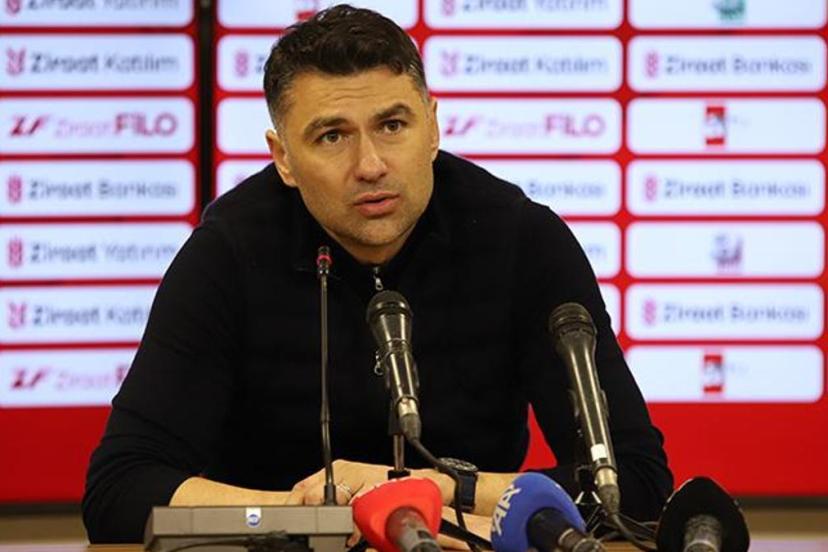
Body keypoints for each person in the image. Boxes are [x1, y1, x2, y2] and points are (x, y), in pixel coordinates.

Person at [82, 5, 672, 543]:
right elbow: (120, 488)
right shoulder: (229, 252)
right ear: (283, 158)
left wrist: (442, 491)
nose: (370, 165)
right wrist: (323, 517)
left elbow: (634, 480)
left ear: (432, 127)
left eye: (392, 126)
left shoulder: (522, 238)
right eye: (332, 136)